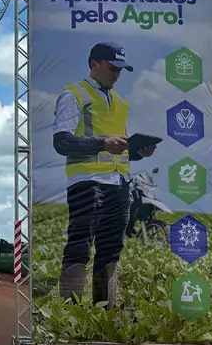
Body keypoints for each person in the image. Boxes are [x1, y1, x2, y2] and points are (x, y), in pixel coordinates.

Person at [51, 42, 156, 309]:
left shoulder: (120, 102)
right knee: (80, 245)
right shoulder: (74, 95)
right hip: (86, 182)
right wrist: (102, 143)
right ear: (93, 64)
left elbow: (115, 149)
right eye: (112, 68)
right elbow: (61, 143)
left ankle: (106, 310)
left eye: (121, 70)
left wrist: (138, 152)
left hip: (118, 183)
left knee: (111, 249)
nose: (117, 75)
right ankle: (69, 312)